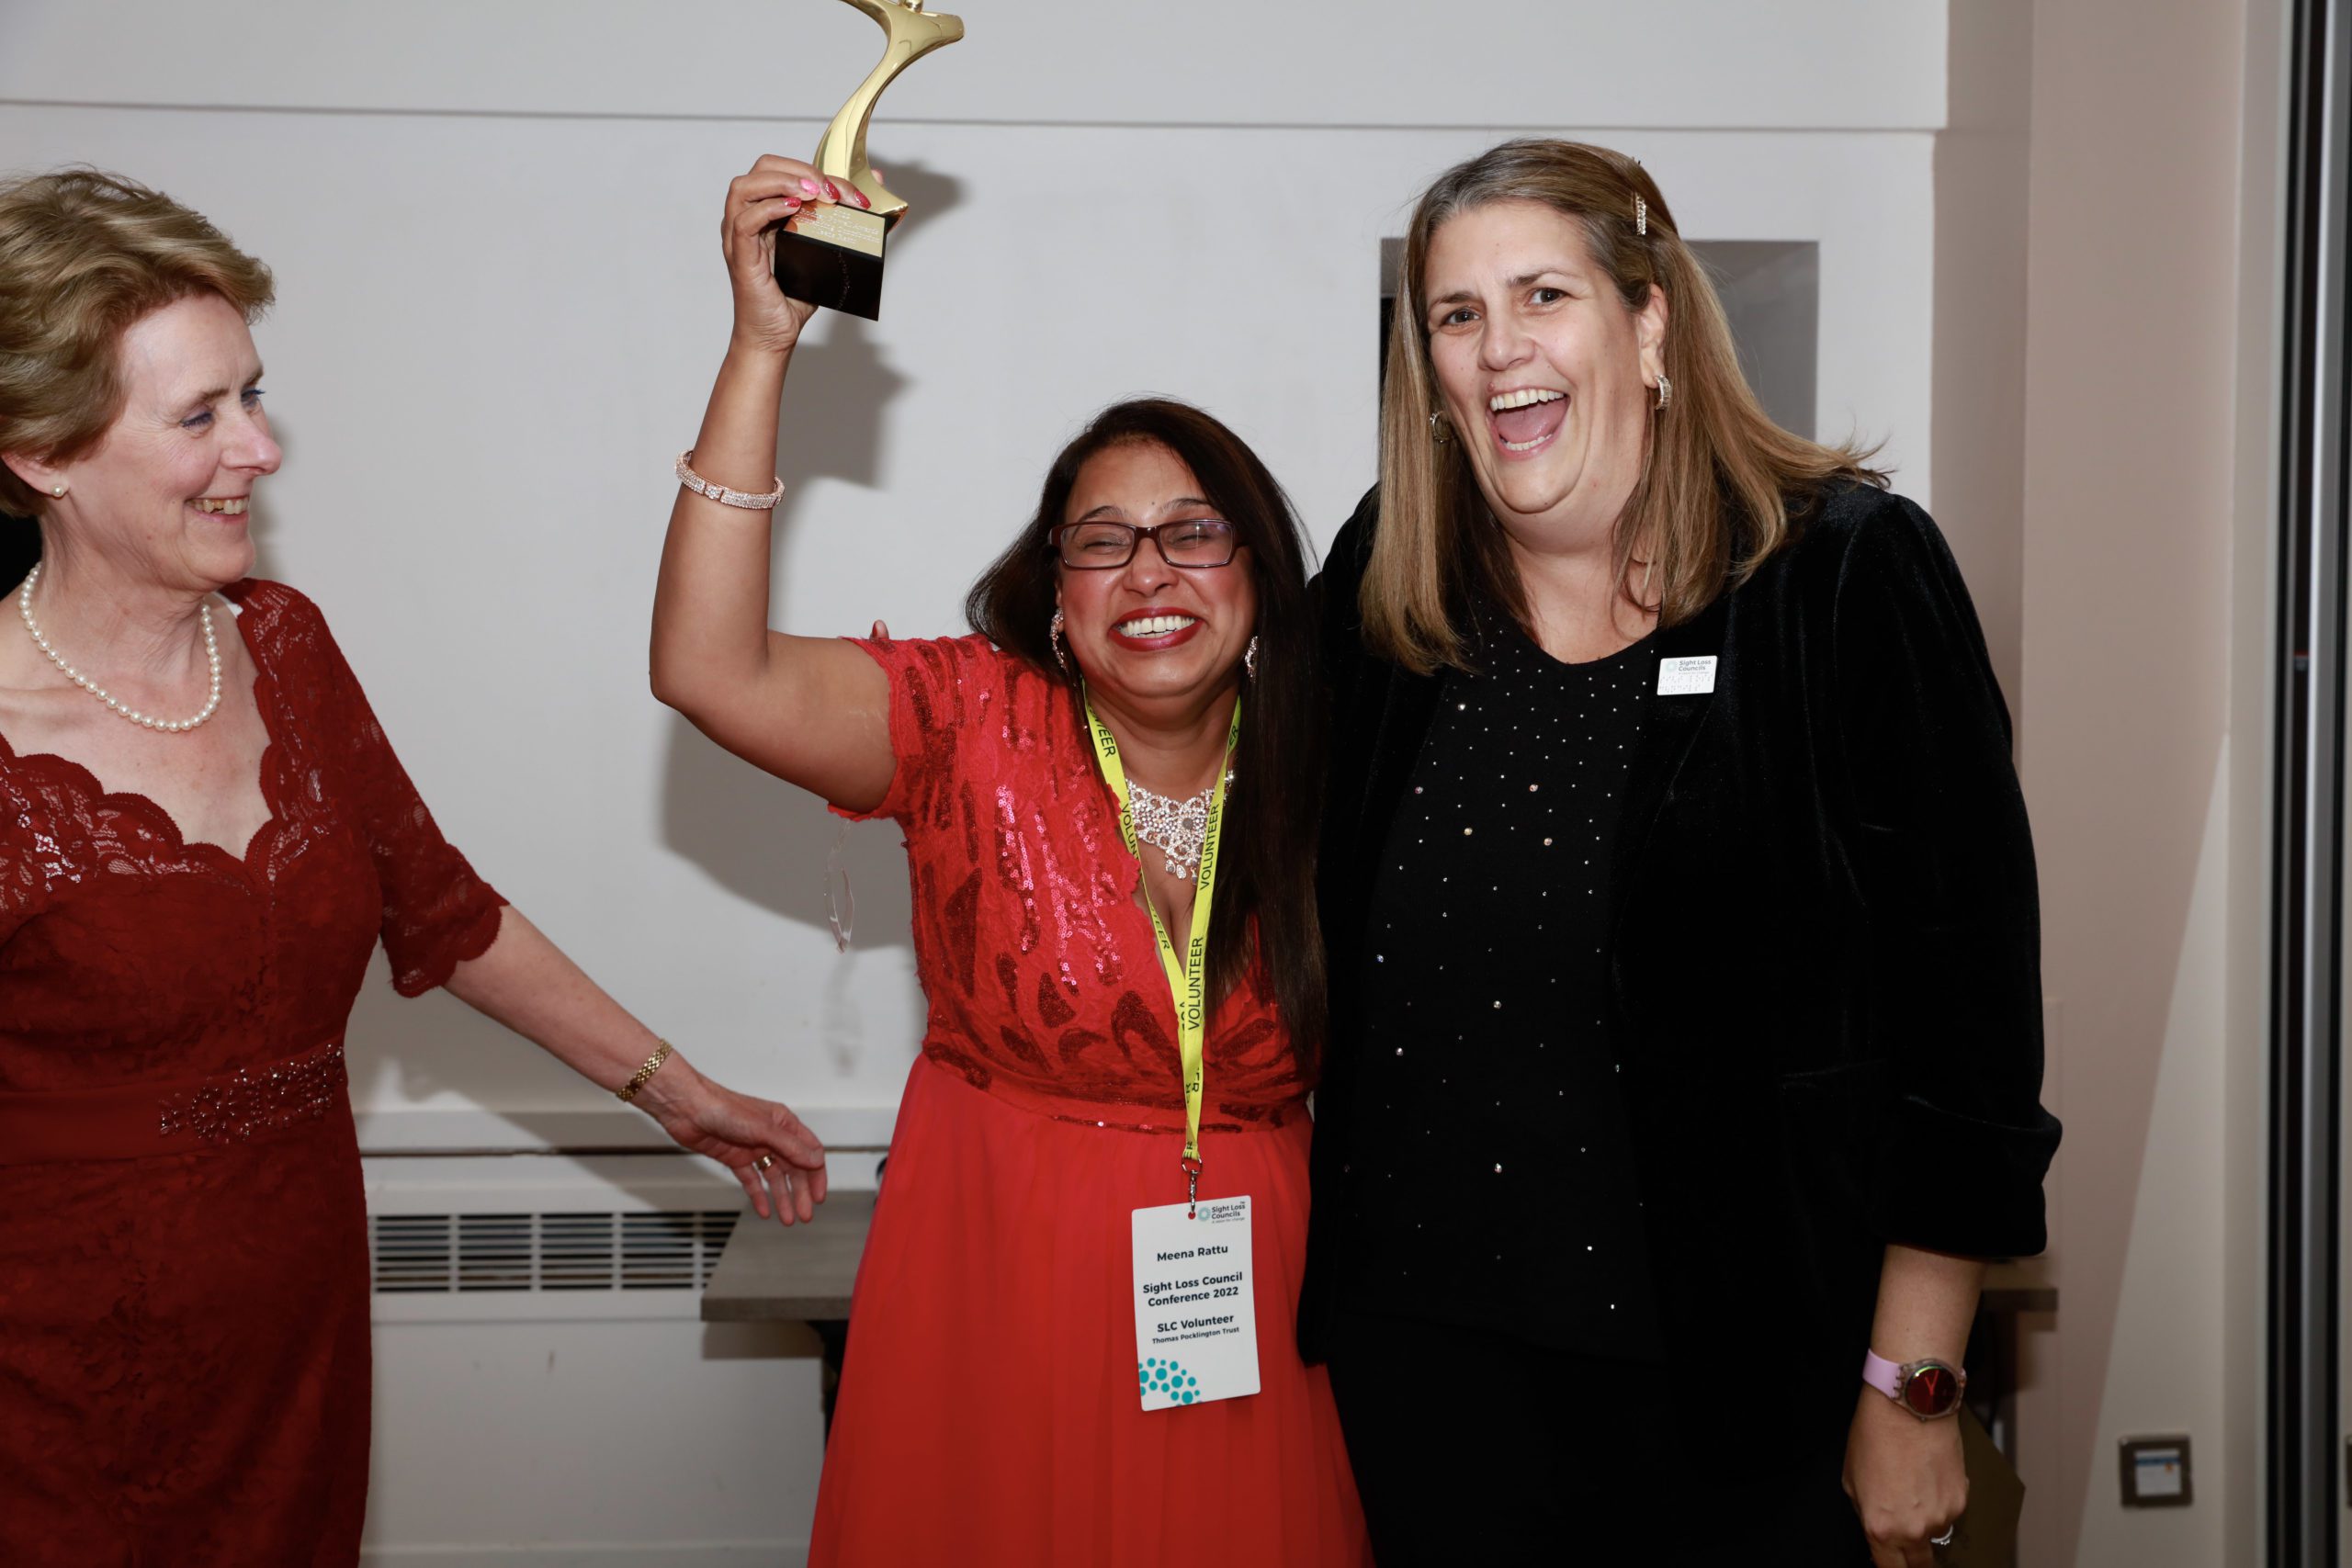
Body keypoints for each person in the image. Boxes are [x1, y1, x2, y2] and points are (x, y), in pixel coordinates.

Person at [0, 169, 829, 1564]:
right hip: (56, 1387)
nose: (260, 449)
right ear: (42, 452)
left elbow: (441, 910)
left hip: (299, 1334)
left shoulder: (285, 644)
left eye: (253, 393)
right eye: (199, 415)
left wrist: (686, 1098)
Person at [1297, 139, 2063, 1566]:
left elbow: (1967, 1034)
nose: (1498, 350)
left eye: (1542, 296)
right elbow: (1231, 799)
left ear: (1650, 324)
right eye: (1456, 316)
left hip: (1749, 1390)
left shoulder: (1840, 576)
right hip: (1433, 1378)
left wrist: (1913, 1388)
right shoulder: (1391, 582)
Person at [650, 155, 1368, 1567]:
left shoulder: (1343, 765)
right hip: (996, 1293)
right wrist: (758, 348)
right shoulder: (963, 722)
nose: (1149, 573)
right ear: (1055, 595)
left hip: (1256, 1311)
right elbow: (705, 666)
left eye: (1193, 533)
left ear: (1260, 572)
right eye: (1102, 544)